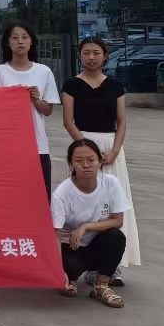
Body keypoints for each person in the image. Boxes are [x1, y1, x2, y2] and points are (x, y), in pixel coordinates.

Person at [62, 37, 140, 284]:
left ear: (105, 55)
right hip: (83, 147)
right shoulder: (71, 85)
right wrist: (87, 150)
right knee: (84, 203)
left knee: (113, 204)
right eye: (86, 52)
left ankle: (111, 266)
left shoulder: (115, 86)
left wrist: (115, 150)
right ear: (80, 56)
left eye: (96, 52)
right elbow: (68, 121)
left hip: (111, 149)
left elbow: (122, 121)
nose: (91, 57)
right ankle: (84, 260)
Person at [51, 138, 130, 308]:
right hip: (70, 248)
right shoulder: (62, 193)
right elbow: (55, 234)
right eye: (79, 161)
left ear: (100, 162)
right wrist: (58, 272)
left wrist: (86, 226)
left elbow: (118, 221)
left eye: (91, 160)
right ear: (71, 165)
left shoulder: (111, 183)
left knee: (116, 237)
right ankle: (69, 278)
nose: (86, 165)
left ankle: (101, 285)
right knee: (71, 265)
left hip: (95, 246)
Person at [0, 21, 59, 198]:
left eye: (25, 37)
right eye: (15, 37)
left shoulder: (44, 71)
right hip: (7, 146)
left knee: (39, 196)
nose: (20, 41)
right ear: (8, 42)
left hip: (38, 145)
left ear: (31, 41)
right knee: (9, 197)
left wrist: (36, 100)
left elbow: (47, 110)